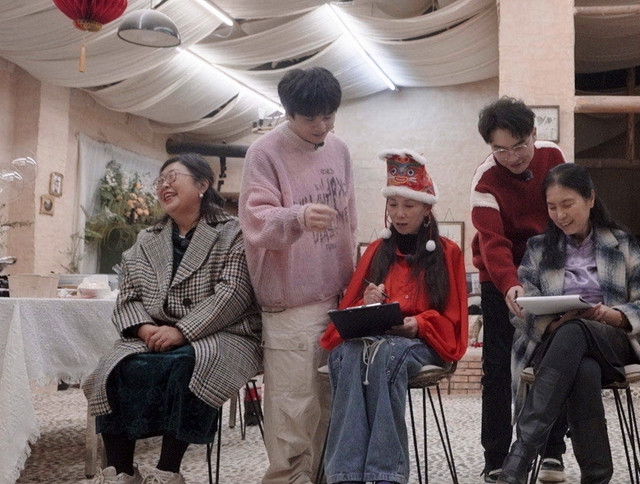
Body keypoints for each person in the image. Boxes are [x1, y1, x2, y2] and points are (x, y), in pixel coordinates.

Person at [83, 153, 263, 484]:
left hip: (224, 331)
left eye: (173, 178)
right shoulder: (147, 238)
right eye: (160, 181)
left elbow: (233, 294)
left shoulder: (233, 231)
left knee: (187, 364)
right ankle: (120, 473)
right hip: (154, 333)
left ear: (202, 185)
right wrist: (145, 329)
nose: (164, 186)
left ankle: (168, 472)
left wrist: (181, 331)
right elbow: (128, 295)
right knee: (115, 367)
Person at [499, 163, 640, 484]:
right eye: (552, 207)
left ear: (590, 199)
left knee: (576, 331)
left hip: (613, 341)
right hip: (555, 344)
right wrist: (553, 324)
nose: (560, 215)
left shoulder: (620, 243)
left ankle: (520, 457)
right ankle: (597, 476)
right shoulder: (538, 249)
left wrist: (612, 315)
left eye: (567, 204)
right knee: (582, 367)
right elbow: (520, 312)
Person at [319, 149, 468, 484]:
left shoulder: (448, 252)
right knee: (347, 354)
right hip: (374, 339)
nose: (399, 214)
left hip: (421, 343)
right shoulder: (376, 250)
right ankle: (346, 475)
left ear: (427, 208)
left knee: (384, 356)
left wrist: (419, 324)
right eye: (393, 204)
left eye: (409, 205)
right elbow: (348, 310)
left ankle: (384, 475)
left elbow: (453, 318)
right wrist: (367, 301)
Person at [239, 66, 357, 483]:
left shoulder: (339, 149)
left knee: (330, 402)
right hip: (290, 301)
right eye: (311, 118)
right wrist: (299, 216)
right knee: (293, 405)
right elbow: (256, 221)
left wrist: (355, 282)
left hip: (338, 296)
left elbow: (349, 220)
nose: (322, 126)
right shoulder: (264, 153)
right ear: (288, 113)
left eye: (329, 115)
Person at [470, 97, 569, 482]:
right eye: (501, 149)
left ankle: (552, 452)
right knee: (497, 368)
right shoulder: (485, 179)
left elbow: (565, 217)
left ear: (534, 134)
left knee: (554, 359)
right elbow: (492, 243)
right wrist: (510, 285)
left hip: (548, 274)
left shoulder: (553, 157)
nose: (512, 157)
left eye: (519, 146)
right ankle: (496, 456)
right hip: (499, 278)